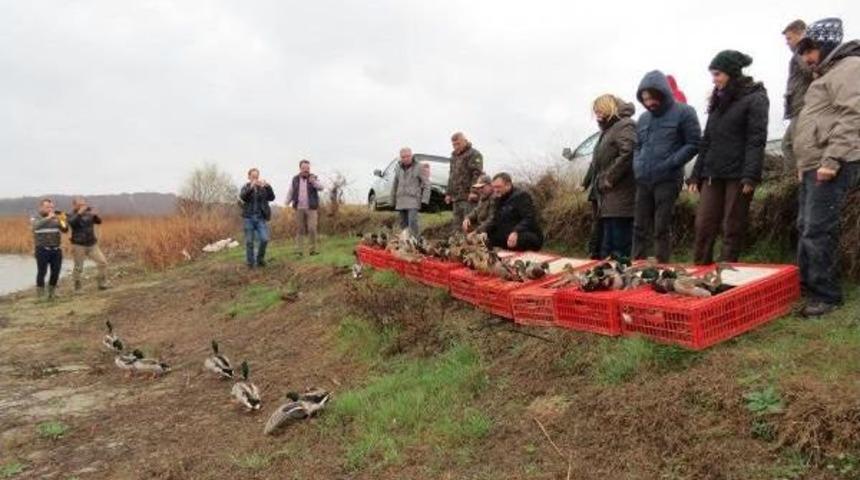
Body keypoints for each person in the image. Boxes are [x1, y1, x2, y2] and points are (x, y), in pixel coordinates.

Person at [793, 18, 860, 317]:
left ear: (828, 45)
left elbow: (853, 116)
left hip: (833, 162)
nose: (806, 57)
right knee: (805, 227)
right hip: (812, 165)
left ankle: (827, 297)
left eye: (811, 49)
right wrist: (802, 164)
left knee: (818, 229)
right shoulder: (824, 75)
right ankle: (807, 285)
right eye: (803, 51)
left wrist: (832, 160)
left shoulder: (849, 69)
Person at [688, 50, 769, 265]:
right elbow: (707, 140)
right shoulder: (717, 100)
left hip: (738, 174)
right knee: (704, 224)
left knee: (731, 226)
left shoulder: (756, 98)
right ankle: (699, 271)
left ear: (732, 73)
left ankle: (724, 278)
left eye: (718, 74)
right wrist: (696, 175)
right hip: (712, 173)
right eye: (712, 75)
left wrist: (750, 176)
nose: (714, 80)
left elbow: (756, 139)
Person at [632, 71, 702, 263]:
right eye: (644, 99)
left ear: (662, 93)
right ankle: (636, 266)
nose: (648, 103)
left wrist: (670, 164)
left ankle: (662, 268)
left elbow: (694, 143)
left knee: (661, 227)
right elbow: (637, 145)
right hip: (644, 179)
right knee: (639, 226)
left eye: (651, 98)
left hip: (668, 179)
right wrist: (637, 165)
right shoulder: (644, 119)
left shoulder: (685, 112)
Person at [591, 94, 637, 259]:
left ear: (610, 108)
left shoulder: (624, 125)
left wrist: (609, 177)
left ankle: (621, 282)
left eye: (600, 110)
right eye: (595, 111)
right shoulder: (609, 129)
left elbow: (629, 152)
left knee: (619, 249)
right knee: (607, 250)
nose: (597, 113)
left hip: (622, 195)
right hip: (609, 197)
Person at [781, 19, 814, 174]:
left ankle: (796, 182)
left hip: (802, 106)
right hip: (796, 106)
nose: (787, 43)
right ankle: (794, 180)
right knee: (787, 144)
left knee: (793, 145)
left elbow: (809, 73)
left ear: (801, 35)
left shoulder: (801, 53)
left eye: (789, 38)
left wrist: (800, 52)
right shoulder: (797, 55)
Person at [482, 173, 543, 251]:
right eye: (494, 187)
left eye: (498, 187)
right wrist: (481, 232)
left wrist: (515, 231)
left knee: (517, 239)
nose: (496, 190)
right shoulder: (497, 199)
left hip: (526, 234)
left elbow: (529, 218)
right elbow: (494, 220)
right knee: (485, 237)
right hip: (508, 234)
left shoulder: (522, 196)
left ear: (508, 185)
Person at [68, 197, 109, 291]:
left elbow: (99, 222)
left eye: (84, 204)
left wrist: (96, 215)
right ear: (75, 205)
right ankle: (77, 287)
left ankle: (102, 283)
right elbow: (71, 223)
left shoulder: (89, 213)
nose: (83, 206)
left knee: (103, 262)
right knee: (79, 267)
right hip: (78, 245)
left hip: (92, 244)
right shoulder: (71, 214)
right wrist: (79, 213)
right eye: (80, 204)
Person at [31, 198, 68, 299]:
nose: (50, 209)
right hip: (42, 250)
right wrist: (48, 218)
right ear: (41, 207)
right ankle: (40, 295)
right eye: (47, 207)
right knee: (42, 272)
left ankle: (52, 293)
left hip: (56, 250)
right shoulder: (35, 217)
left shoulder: (56, 218)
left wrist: (63, 220)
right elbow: (35, 226)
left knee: (56, 271)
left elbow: (65, 230)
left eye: (51, 207)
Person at [446, 132, 484, 229]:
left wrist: (474, 191)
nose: (456, 146)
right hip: (456, 196)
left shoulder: (474, 154)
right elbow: (451, 175)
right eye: (454, 144)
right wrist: (448, 193)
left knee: (468, 223)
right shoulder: (453, 156)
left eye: (458, 144)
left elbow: (477, 174)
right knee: (457, 224)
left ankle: (470, 242)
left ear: (465, 141)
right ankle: (458, 241)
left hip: (468, 196)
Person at [390, 147, 430, 237]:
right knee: (403, 227)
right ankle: (405, 246)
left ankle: (415, 244)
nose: (405, 159)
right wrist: (392, 201)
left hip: (413, 201)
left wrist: (424, 200)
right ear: (400, 157)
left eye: (407, 156)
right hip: (401, 202)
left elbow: (427, 184)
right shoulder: (398, 169)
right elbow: (394, 185)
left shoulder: (419, 167)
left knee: (413, 224)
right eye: (403, 157)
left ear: (411, 155)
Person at [239, 168, 275, 267]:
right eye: (253, 176)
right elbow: (242, 196)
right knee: (249, 242)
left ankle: (260, 260)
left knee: (264, 239)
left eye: (256, 176)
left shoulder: (263, 188)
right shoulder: (246, 187)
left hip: (260, 218)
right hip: (248, 218)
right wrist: (251, 187)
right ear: (249, 177)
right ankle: (250, 262)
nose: (255, 178)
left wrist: (267, 186)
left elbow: (272, 197)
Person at [287, 160, 323, 256]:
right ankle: (299, 251)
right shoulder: (295, 179)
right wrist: (287, 203)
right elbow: (291, 191)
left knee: (312, 228)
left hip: (311, 208)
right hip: (299, 208)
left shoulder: (313, 177)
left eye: (307, 168)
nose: (306, 170)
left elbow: (321, 187)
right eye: (304, 168)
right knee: (300, 229)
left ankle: (313, 250)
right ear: (300, 168)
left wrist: (313, 182)